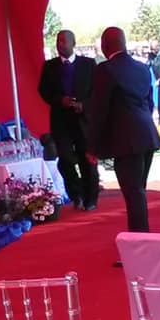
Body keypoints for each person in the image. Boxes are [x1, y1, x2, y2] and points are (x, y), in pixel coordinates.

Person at [86, 26, 160, 241]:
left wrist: (93, 147)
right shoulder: (142, 68)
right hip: (147, 134)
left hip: (126, 140)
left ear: (104, 46)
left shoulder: (104, 70)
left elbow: (99, 110)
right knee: (138, 190)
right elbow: (149, 103)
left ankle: (140, 241)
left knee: (133, 193)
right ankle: (141, 237)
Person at [38, 29, 99, 211]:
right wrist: (59, 100)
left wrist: (84, 105)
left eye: (64, 41)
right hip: (61, 121)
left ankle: (90, 198)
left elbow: (97, 91)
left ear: (73, 43)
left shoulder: (88, 65)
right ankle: (76, 193)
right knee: (65, 160)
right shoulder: (50, 66)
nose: (60, 44)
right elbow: (43, 91)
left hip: (83, 121)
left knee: (86, 159)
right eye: (58, 41)